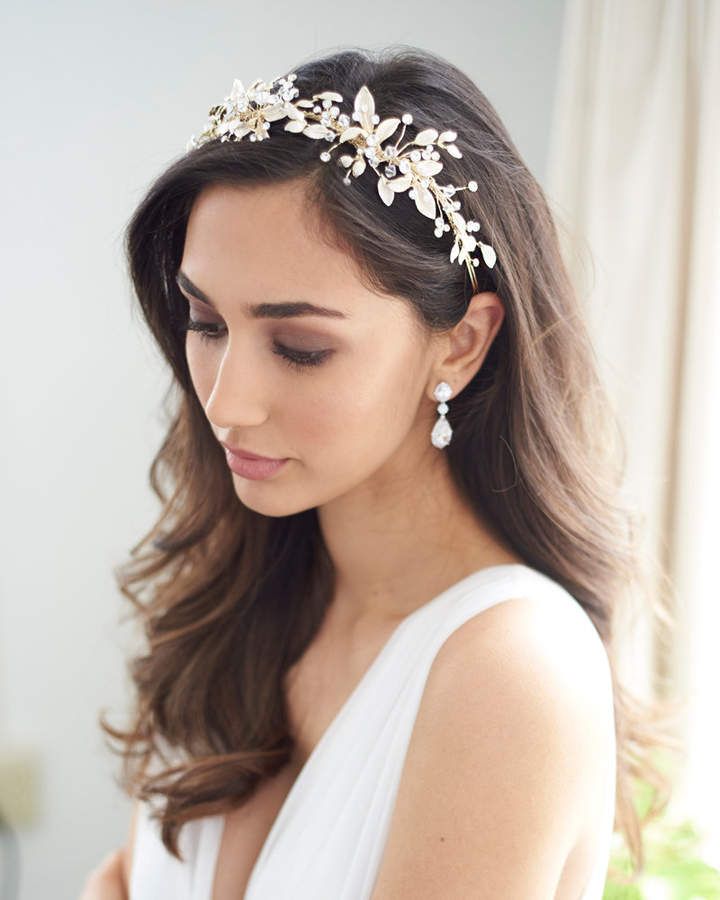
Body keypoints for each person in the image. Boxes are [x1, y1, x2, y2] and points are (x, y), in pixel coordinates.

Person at [81, 44, 675, 899]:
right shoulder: (243, 598)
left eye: (301, 348)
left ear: (461, 343)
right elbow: (123, 879)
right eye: (206, 322)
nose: (225, 401)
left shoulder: (511, 667)